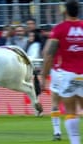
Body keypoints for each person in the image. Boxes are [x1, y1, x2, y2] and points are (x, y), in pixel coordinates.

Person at [41, 1, 83, 144]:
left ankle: (75, 142)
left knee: (71, 112)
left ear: (65, 11)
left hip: (67, 75)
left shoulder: (59, 29)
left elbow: (48, 55)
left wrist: (43, 77)